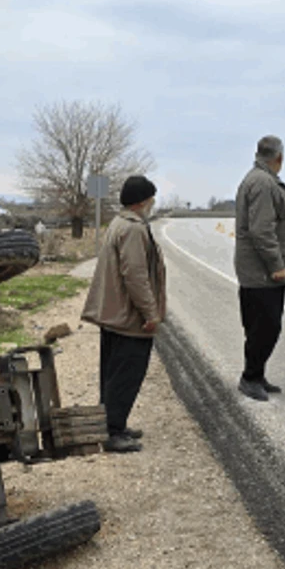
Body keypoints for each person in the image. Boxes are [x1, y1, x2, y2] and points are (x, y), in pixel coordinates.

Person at [81, 175, 166, 453]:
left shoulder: (119, 223)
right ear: (142, 201)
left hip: (115, 315)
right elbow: (136, 275)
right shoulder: (133, 230)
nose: (153, 202)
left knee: (112, 371)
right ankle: (113, 432)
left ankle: (112, 423)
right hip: (128, 318)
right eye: (151, 198)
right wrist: (150, 313)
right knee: (125, 374)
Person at [233, 135, 285, 402]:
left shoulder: (260, 179)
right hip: (262, 272)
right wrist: (276, 265)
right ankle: (250, 378)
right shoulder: (262, 183)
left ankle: (257, 373)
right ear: (279, 158)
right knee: (266, 326)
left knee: (262, 326)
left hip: (259, 271)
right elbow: (261, 230)